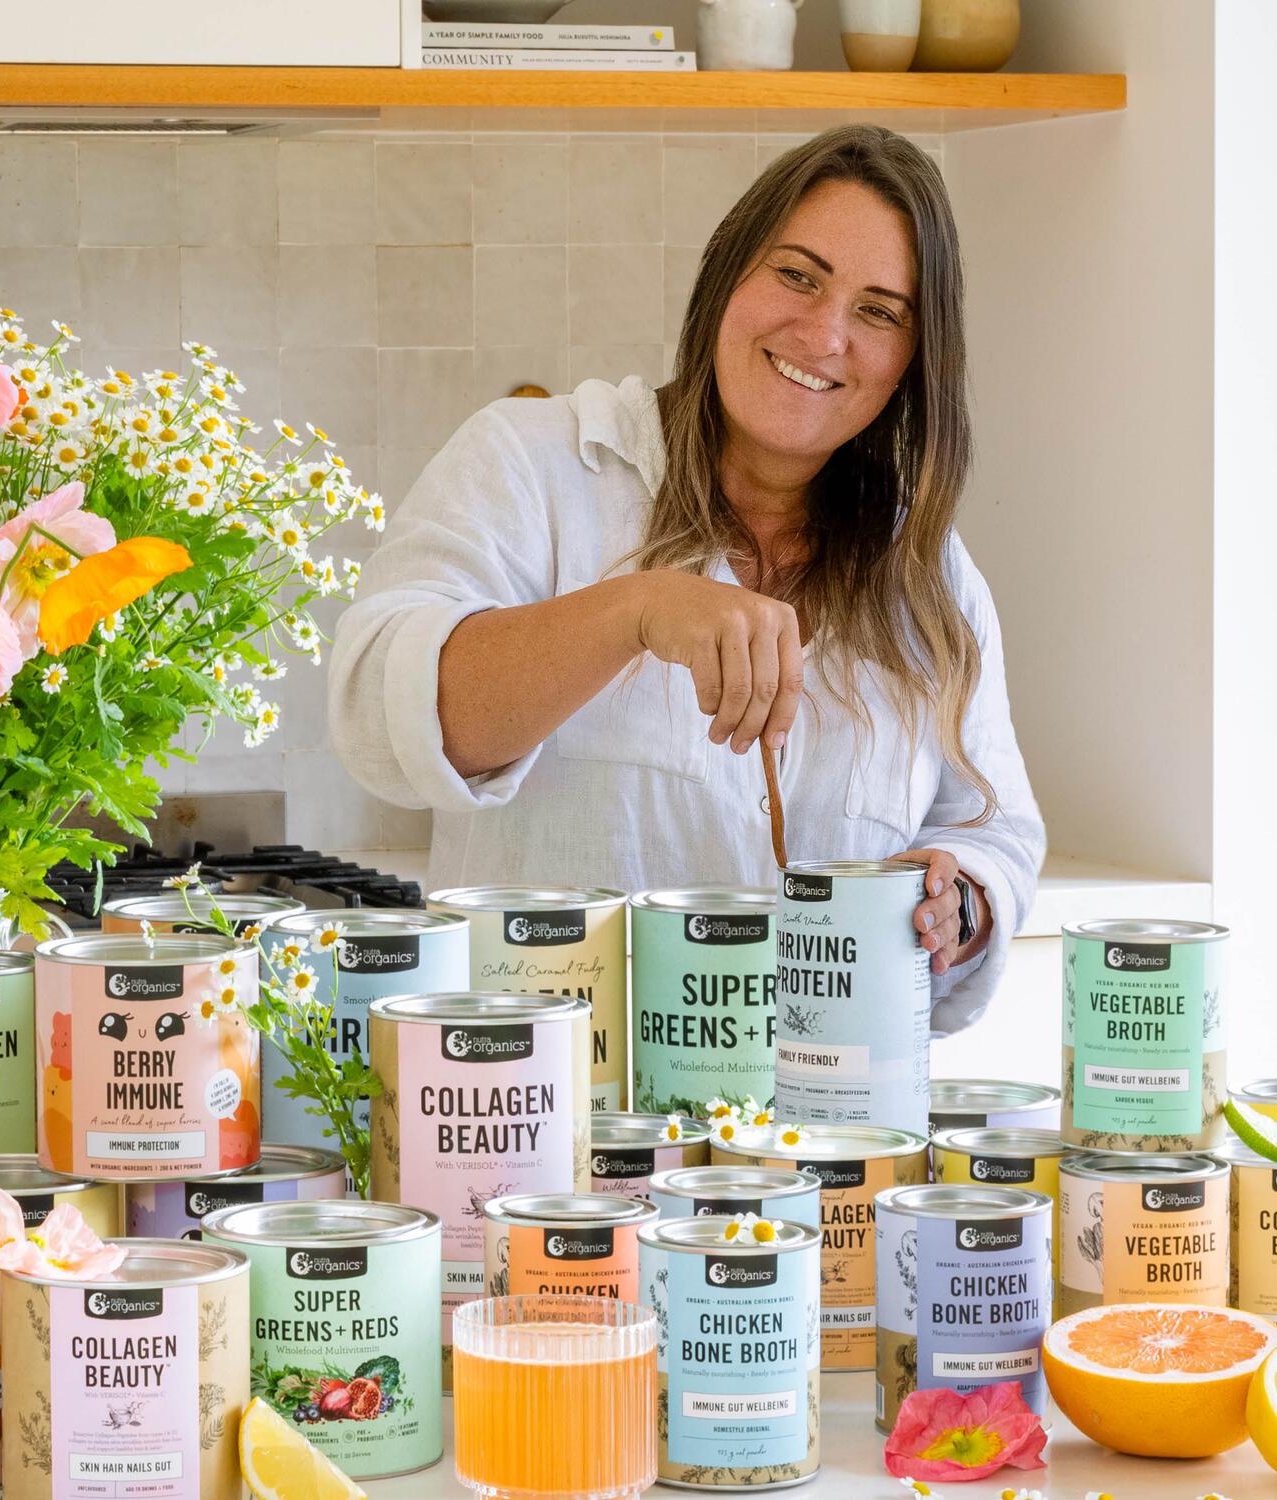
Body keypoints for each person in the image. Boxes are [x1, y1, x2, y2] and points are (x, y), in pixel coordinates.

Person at [328, 125, 1045, 1032]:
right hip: (540, 1100)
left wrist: (958, 900)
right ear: (726, 276)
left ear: (913, 362)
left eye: (879, 311)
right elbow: (376, 719)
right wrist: (631, 611)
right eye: (798, 275)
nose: (825, 334)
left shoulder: (927, 570)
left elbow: (994, 830)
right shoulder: (533, 462)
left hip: (820, 1106)